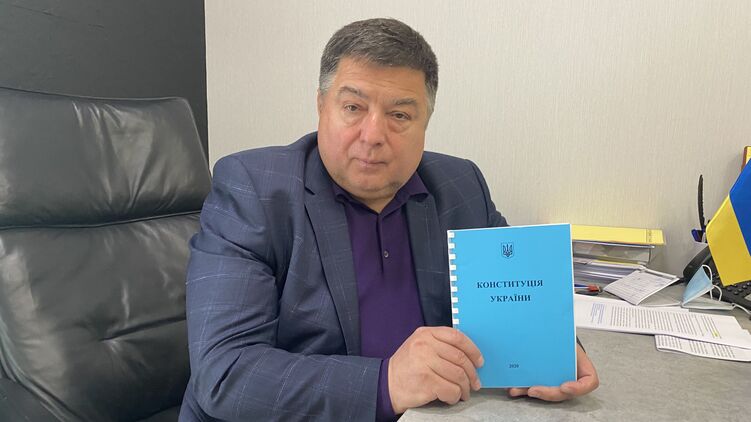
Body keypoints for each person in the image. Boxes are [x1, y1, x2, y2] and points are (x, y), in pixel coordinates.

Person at [179, 18, 599, 422]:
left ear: (425, 122)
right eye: (353, 107)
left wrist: (554, 347)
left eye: (399, 115)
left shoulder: (460, 185)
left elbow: (520, 296)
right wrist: (385, 383)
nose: (373, 135)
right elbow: (225, 375)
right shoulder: (254, 190)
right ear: (321, 105)